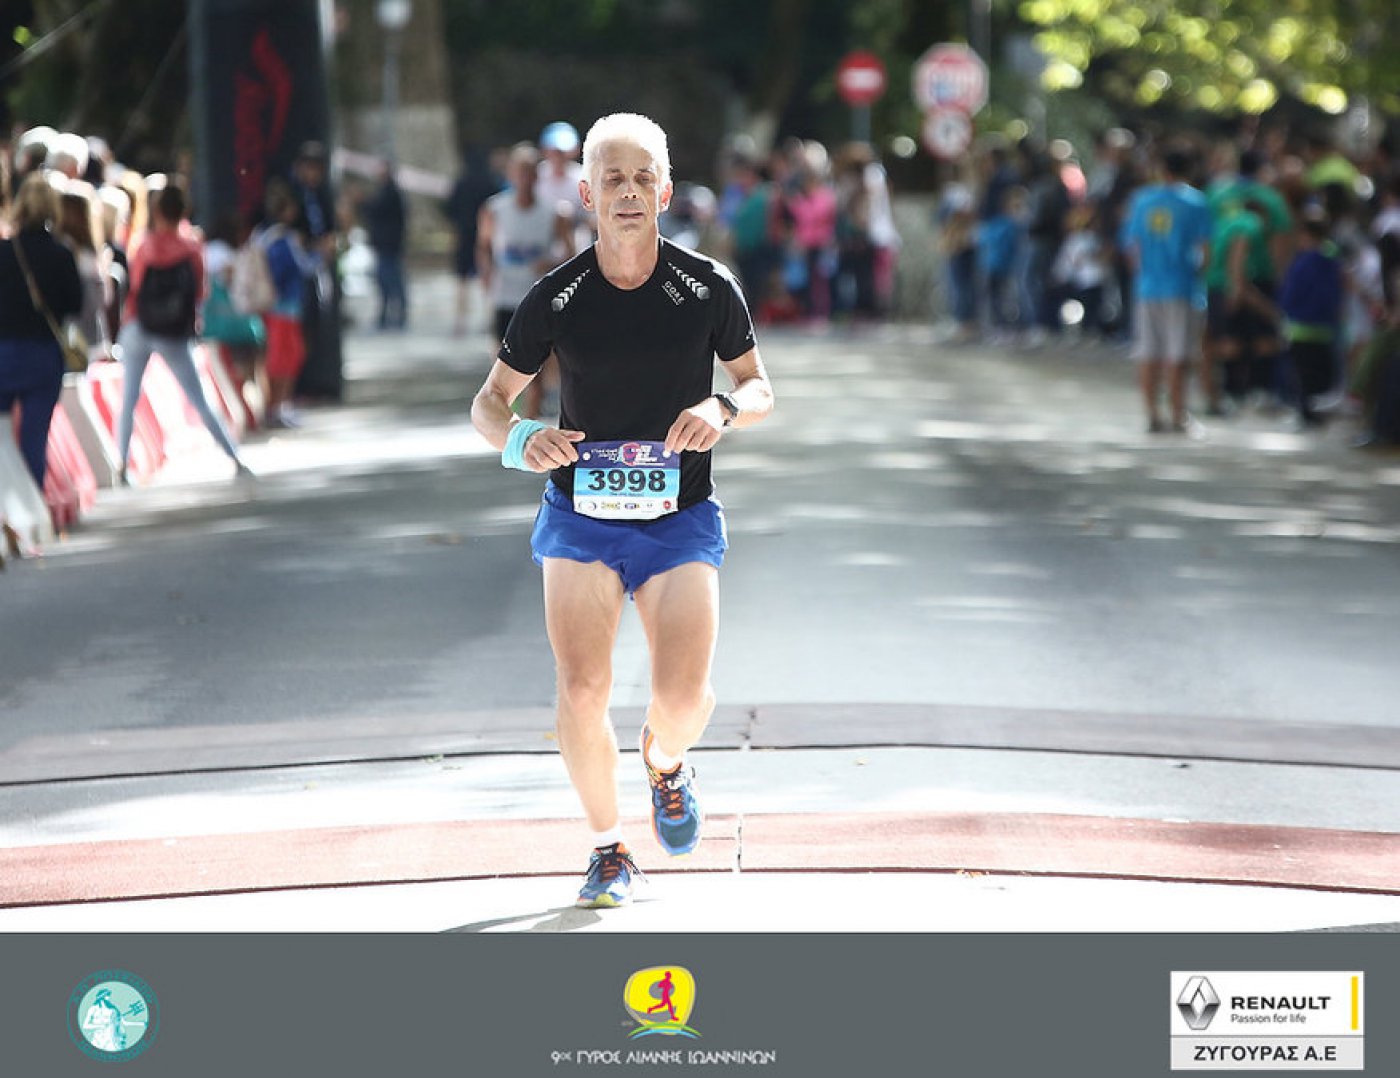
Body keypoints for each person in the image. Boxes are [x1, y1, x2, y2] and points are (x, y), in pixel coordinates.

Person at [469, 112, 774, 909]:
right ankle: (609, 850)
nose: (629, 192)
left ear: (665, 192)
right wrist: (523, 437)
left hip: (679, 517)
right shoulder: (557, 296)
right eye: (613, 179)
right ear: (586, 195)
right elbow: (489, 403)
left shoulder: (707, 286)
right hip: (581, 517)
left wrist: (722, 408)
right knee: (581, 689)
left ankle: (665, 763)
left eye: (644, 178)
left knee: (684, 702)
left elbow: (758, 385)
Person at [114, 181, 252, 483]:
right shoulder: (191, 247)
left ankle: (121, 465)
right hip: (173, 334)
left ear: (156, 211)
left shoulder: (143, 246)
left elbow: (134, 287)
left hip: (138, 326)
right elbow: (201, 292)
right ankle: (234, 457)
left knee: (129, 398)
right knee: (200, 398)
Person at [476, 143, 573, 420]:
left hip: (536, 299)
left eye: (529, 173)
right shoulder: (494, 210)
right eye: (519, 173)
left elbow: (571, 256)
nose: (524, 179)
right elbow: (483, 246)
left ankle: (530, 422)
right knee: (502, 360)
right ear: (510, 175)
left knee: (534, 365)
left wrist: (550, 264)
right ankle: (506, 416)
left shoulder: (554, 213)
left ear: (537, 176)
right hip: (504, 296)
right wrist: (486, 274)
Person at [1121, 147, 1212, 432]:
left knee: (1148, 352)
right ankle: (1178, 415)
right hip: (1182, 286)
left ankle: (1152, 415)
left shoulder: (1141, 200)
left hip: (1147, 286)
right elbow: (1205, 250)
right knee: (1179, 353)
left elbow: (1132, 247)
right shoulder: (1196, 202)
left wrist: (1144, 274)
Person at [0, 173, 82, 488]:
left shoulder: (4, 252)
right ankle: (32, 504)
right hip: (43, 353)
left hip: (4, 353)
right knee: (34, 438)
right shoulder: (62, 253)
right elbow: (75, 304)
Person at [1276, 208, 1343, 428]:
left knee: (1302, 375)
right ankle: (1314, 413)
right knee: (1318, 373)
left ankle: (1305, 413)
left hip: (1300, 328)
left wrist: (1285, 310)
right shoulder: (1332, 259)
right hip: (1325, 328)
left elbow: (1291, 293)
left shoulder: (1303, 262)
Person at [443, 146, 505, 335]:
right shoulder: (490, 182)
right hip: (486, 235)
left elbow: (449, 208)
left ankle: (460, 322)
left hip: (464, 235)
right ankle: (490, 319)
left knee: (462, 280)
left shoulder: (461, 183)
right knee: (488, 277)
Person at [362, 158, 408, 330]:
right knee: (385, 281)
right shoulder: (387, 191)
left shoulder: (390, 193)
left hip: (389, 245)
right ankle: (388, 315)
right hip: (385, 244)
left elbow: (377, 210)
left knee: (391, 280)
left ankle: (395, 314)